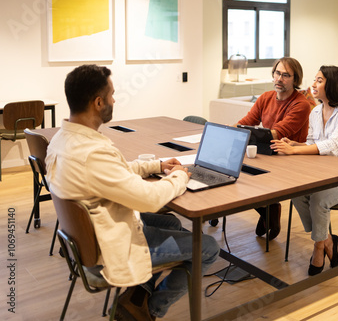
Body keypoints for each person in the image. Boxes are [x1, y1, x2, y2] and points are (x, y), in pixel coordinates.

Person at [45, 64, 220, 321]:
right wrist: (180, 177)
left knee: (171, 222)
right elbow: (149, 200)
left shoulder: (63, 140)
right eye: (112, 94)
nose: (114, 100)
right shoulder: (93, 153)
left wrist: (157, 165)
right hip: (110, 246)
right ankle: (149, 310)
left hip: (92, 236)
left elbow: (113, 171)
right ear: (98, 102)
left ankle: (137, 295)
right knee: (207, 247)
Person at [271, 65, 338, 276]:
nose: (313, 84)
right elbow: (311, 142)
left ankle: (318, 247)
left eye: (319, 81)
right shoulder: (316, 111)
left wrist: (294, 151)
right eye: (315, 79)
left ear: (332, 85)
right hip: (328, 174)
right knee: (297, 193)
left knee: (318, 199)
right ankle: (326, 239)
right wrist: (295, 145)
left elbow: (333, 146)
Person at [234, 57, 311, 240]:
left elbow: (276, 134)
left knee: (246, 176)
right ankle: (268, 209)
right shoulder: (266, 97)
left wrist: (245, 132)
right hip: (267, 154)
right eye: (277, 73)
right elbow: (246, 123)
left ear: (295, 79)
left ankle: (270, 206)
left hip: (289, 160)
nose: (279, 79)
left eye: (286, 75)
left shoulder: (301, 104)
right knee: (235, 174)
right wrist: (230, 130)